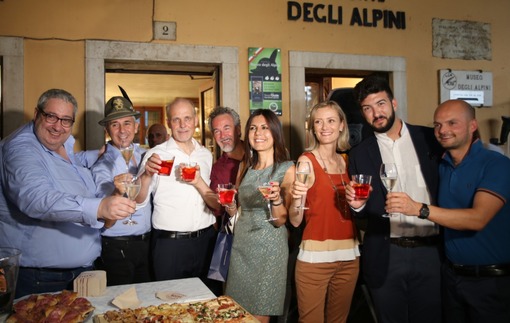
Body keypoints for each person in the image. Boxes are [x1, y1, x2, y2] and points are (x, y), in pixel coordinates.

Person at [0, 89, 135, 298]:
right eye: (51, 116)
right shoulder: (21, 148)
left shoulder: (63, 144)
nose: (58, 126)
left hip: (82, 273)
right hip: (40, 279)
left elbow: (71, 166)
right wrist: (99, 207)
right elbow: (35, 198)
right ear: (37, 114)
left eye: (65, 120)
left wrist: (104, 153)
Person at [386, 99, 510, 323]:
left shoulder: (496, 164)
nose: (443, 130)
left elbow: (478, 219)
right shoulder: (442, 166)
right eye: (437, 125)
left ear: (473, 126)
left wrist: (419, 210)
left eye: (452, 123)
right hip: (451, 278)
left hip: (491, 282)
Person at [347, 75, 444, 323]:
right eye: (367, 108)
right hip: (386, 253)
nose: (376, 113)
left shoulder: (429, 139)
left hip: (431, 252)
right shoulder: (358, 154)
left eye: (380, 104)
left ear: (394, 103)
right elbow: (359, 212)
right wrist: (357, 206)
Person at [136, 98, 219, 289]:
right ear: (169, 123)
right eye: (176, 120)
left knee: (207, 305)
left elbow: (210, 197)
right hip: (170, 246)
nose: (182, 125)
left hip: (206, 242)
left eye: (187, 118)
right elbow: (138, 200)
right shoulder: (155, 155)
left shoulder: (206, 154)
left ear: (196, 120)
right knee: (170, 308)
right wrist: (147, 174)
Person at [289, 101, 360, 323]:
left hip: (349, 256)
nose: (324, 127)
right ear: (313, 128)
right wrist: (298, 197)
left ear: (341, 125)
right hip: (315, 259)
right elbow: (295, 220)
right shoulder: (305, 161)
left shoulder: (346, 161)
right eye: (318, 122)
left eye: (331, 120)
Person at [224, 109, 295, 323]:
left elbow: (282, 220)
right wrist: (229, 207)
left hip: (269, 250)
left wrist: (276, 200)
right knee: (236, 312)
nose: (258, 133)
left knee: (258, 315)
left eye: (265, 127)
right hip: (241, 246)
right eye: (253, 128)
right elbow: (239, 210)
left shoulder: (287, 168)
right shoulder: (244, 167)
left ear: (275, 132)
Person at [91, 96, 152, 286]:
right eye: (115, 125)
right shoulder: (101, 166)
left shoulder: (145, 155)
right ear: (107, 130)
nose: (122, 130)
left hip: (148, 243)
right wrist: (117, 193)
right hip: (118, 248)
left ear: (136, 126)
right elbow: (104, 223)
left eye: (127, 123)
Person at [208, 106, 245, 195]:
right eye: (217, 131)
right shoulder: (216, 170)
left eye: (227, 128)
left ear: (238, 130)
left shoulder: (259, 154)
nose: (223, 136)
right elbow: (219, 207)